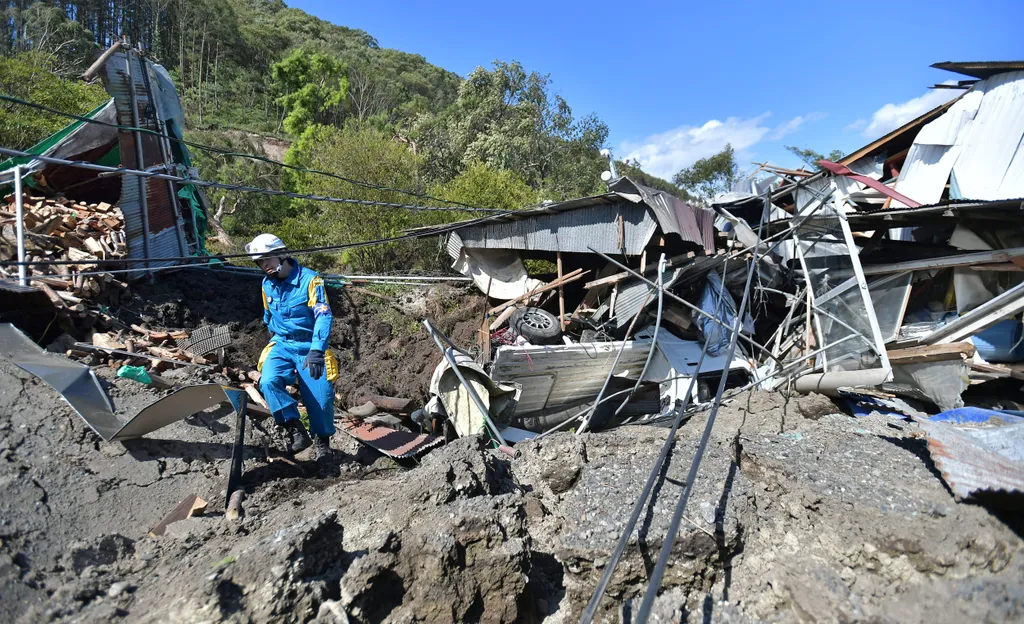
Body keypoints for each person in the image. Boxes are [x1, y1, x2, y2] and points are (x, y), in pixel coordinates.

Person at [245, 233, 338, 461]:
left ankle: (322, 442)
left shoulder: (310, 280)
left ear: (283, 255)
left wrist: (317, 349)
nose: (264, 265)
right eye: (260, 262)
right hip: (283, 343)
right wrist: (272, 333)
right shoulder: (267, 285)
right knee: (268, 381)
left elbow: (323, 316)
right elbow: (268, 315)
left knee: (322, 397)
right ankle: (294, 428)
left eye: (267, 259)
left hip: (309, 345)